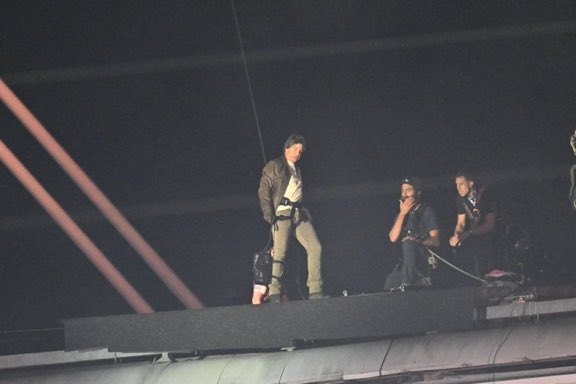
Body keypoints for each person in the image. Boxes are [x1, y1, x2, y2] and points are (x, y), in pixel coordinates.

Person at [257, 134, 324, 302]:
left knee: (315, 247)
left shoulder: (297, 169)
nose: (297, 153)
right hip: (282, 213)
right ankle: (274, 292)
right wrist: (269, 215)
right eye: (295, 149)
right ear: (286, 148)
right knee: (280, 252)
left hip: (298, 214)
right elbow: (264, 190)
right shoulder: (276, 165)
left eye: (300, 151)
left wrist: (305, 212)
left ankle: (315, 289)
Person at [384, 177, 440, 291]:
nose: (405, 194)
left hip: (422, 259)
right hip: (406, 265)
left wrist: (417, 240)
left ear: (418, 193)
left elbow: (436, 240)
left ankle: (407, 284)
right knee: (391, 280)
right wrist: (402, 214)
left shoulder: (427, 212)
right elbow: (393, 238)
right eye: (403, 191)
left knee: (409, 243)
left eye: (408, 190)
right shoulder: (402, 215)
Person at [448, 171, 498, 284]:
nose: (458, 188)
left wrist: (469, 233)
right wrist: (457, 235)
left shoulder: (485, 195)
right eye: (456, 185)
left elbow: (490, 224)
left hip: (491, 232)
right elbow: (460, 223)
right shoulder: (460, 199)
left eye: (461, 184)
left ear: (470, 184)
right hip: (475, 232)